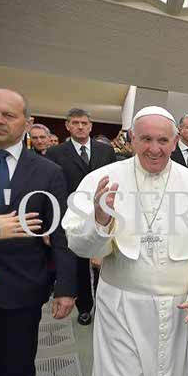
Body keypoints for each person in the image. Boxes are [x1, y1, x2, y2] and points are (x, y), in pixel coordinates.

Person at [61, 106, 188, 376]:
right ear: (132, 139)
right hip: (121, 309)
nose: (154, 149)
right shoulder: (102, 179)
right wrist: (100, 218)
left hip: (180, 312)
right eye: (146, 139)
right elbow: (79, 245)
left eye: (163, 140)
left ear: (175, 141)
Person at [0, 89, 77, 376]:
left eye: (9, 115)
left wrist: (66, 287)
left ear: (28, 122)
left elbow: (60, 233)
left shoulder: (48, 172)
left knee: (16, 375)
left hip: (20, 291)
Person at [46, 108, 116, 326]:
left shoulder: (105, 151)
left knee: (102, 260)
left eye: (84, 123)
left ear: (90, 126)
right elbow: (51, 191)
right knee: (78, 263)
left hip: (102, 213)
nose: (80, 127)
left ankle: (103, 306)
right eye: (75, 123)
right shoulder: (55, 153)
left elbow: (115, 181)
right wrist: (50, 225)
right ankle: (84, 307)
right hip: (72, 215)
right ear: (67, 126)